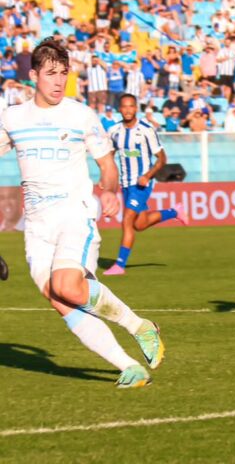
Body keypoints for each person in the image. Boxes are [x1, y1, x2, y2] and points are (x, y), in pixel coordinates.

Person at [0, 40, 163, 388]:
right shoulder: (12, 118)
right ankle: (129, 366)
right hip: (37, 225)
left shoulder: (80, 115)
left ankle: (138, 326)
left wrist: (108, 191)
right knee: (59, 299)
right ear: (33, 76)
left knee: (67, 285)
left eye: (63, 73)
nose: (58, 82)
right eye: (50, 74)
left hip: (75, 212)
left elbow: (107, 165)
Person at [102, 95, 189, 276]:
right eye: (124, 107)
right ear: (120, 108)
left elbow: (162, 158)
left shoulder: (146, 130)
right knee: (140, 224)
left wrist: (148, 176)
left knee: (127, 221)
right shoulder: (114, 131)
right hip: (125, 184)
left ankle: (119, 265)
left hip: (142, 184)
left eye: (131, 106)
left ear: (136, 109)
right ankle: (175, 212)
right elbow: (109, 157)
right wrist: (105, 176)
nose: (127, 110)